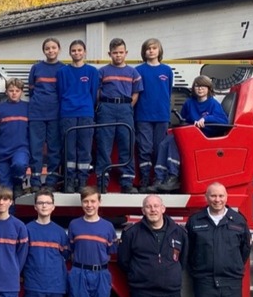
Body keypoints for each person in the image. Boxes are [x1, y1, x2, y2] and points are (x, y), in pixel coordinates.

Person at [154, 75, 230, 193]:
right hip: (190, 134)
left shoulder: (213, 104)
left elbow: (223, 121)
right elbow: (184, 119)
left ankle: (173, 178)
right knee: (165, 142)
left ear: (209, 89)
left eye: (203, 86)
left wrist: (206, 119)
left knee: (175, 141)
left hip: (204, 137)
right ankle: (159, 179)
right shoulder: (189, 103)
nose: (200, 89)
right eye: (197, 86)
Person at [94, 37, 142, 193]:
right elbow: (97, 91)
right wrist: (103, 105)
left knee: (127, 145)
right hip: (106, 108)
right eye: (115, 53)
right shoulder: (102, 72)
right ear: (109, 53)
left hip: (125, 109)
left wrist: (128, 107)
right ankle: (102, 181)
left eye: (121, 52)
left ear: (126, 53)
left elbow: (136, 93)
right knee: (103, 146)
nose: (118, 55)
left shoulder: (133, 72)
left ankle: (127, 182)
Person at [57, 40, 100, 192]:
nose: (77, 53)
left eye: (79, 50)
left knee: (85, 148)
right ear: (70, 53)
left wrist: (87, 106)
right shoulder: (62, 72)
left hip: (86, 113)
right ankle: (69, 181)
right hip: (67, 113)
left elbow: (94, 93)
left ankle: (82, 181)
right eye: (74, 50)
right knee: (69, 149)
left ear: (85, 52)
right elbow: (61, 92)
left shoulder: (92, 72)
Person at [134, 38, 173, 192]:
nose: (151, 51)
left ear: (159, 50)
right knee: (144, 148)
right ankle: (144, 179)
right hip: (143, 116)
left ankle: (159, 179)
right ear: (144, 52)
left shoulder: (167, 70)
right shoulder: (138, 70)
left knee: (159, 148)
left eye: (154, 48)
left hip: (162, 116)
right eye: (148, 48)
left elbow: (168, 93)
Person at [27, 37, 64, 190]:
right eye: (47, 48)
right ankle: (35, 181)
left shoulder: (63, 69)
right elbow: (31, 90)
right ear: (44, 51)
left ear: (59, 49)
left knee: (54, 149)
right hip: (37, 113)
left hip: (55, 114)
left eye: (53, 48)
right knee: (35, 148)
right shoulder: (36, 68)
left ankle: (51, 181)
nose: (51, 51)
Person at [0, 78, 31, 193]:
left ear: (21, 92)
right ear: (6, 92)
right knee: (5, 187)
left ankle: (18, 182)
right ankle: (10, 211)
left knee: (20, 165)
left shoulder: (28, 107)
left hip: (21, 148)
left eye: (17, 90)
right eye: (11, 90)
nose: (14, 93)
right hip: (1, 153)